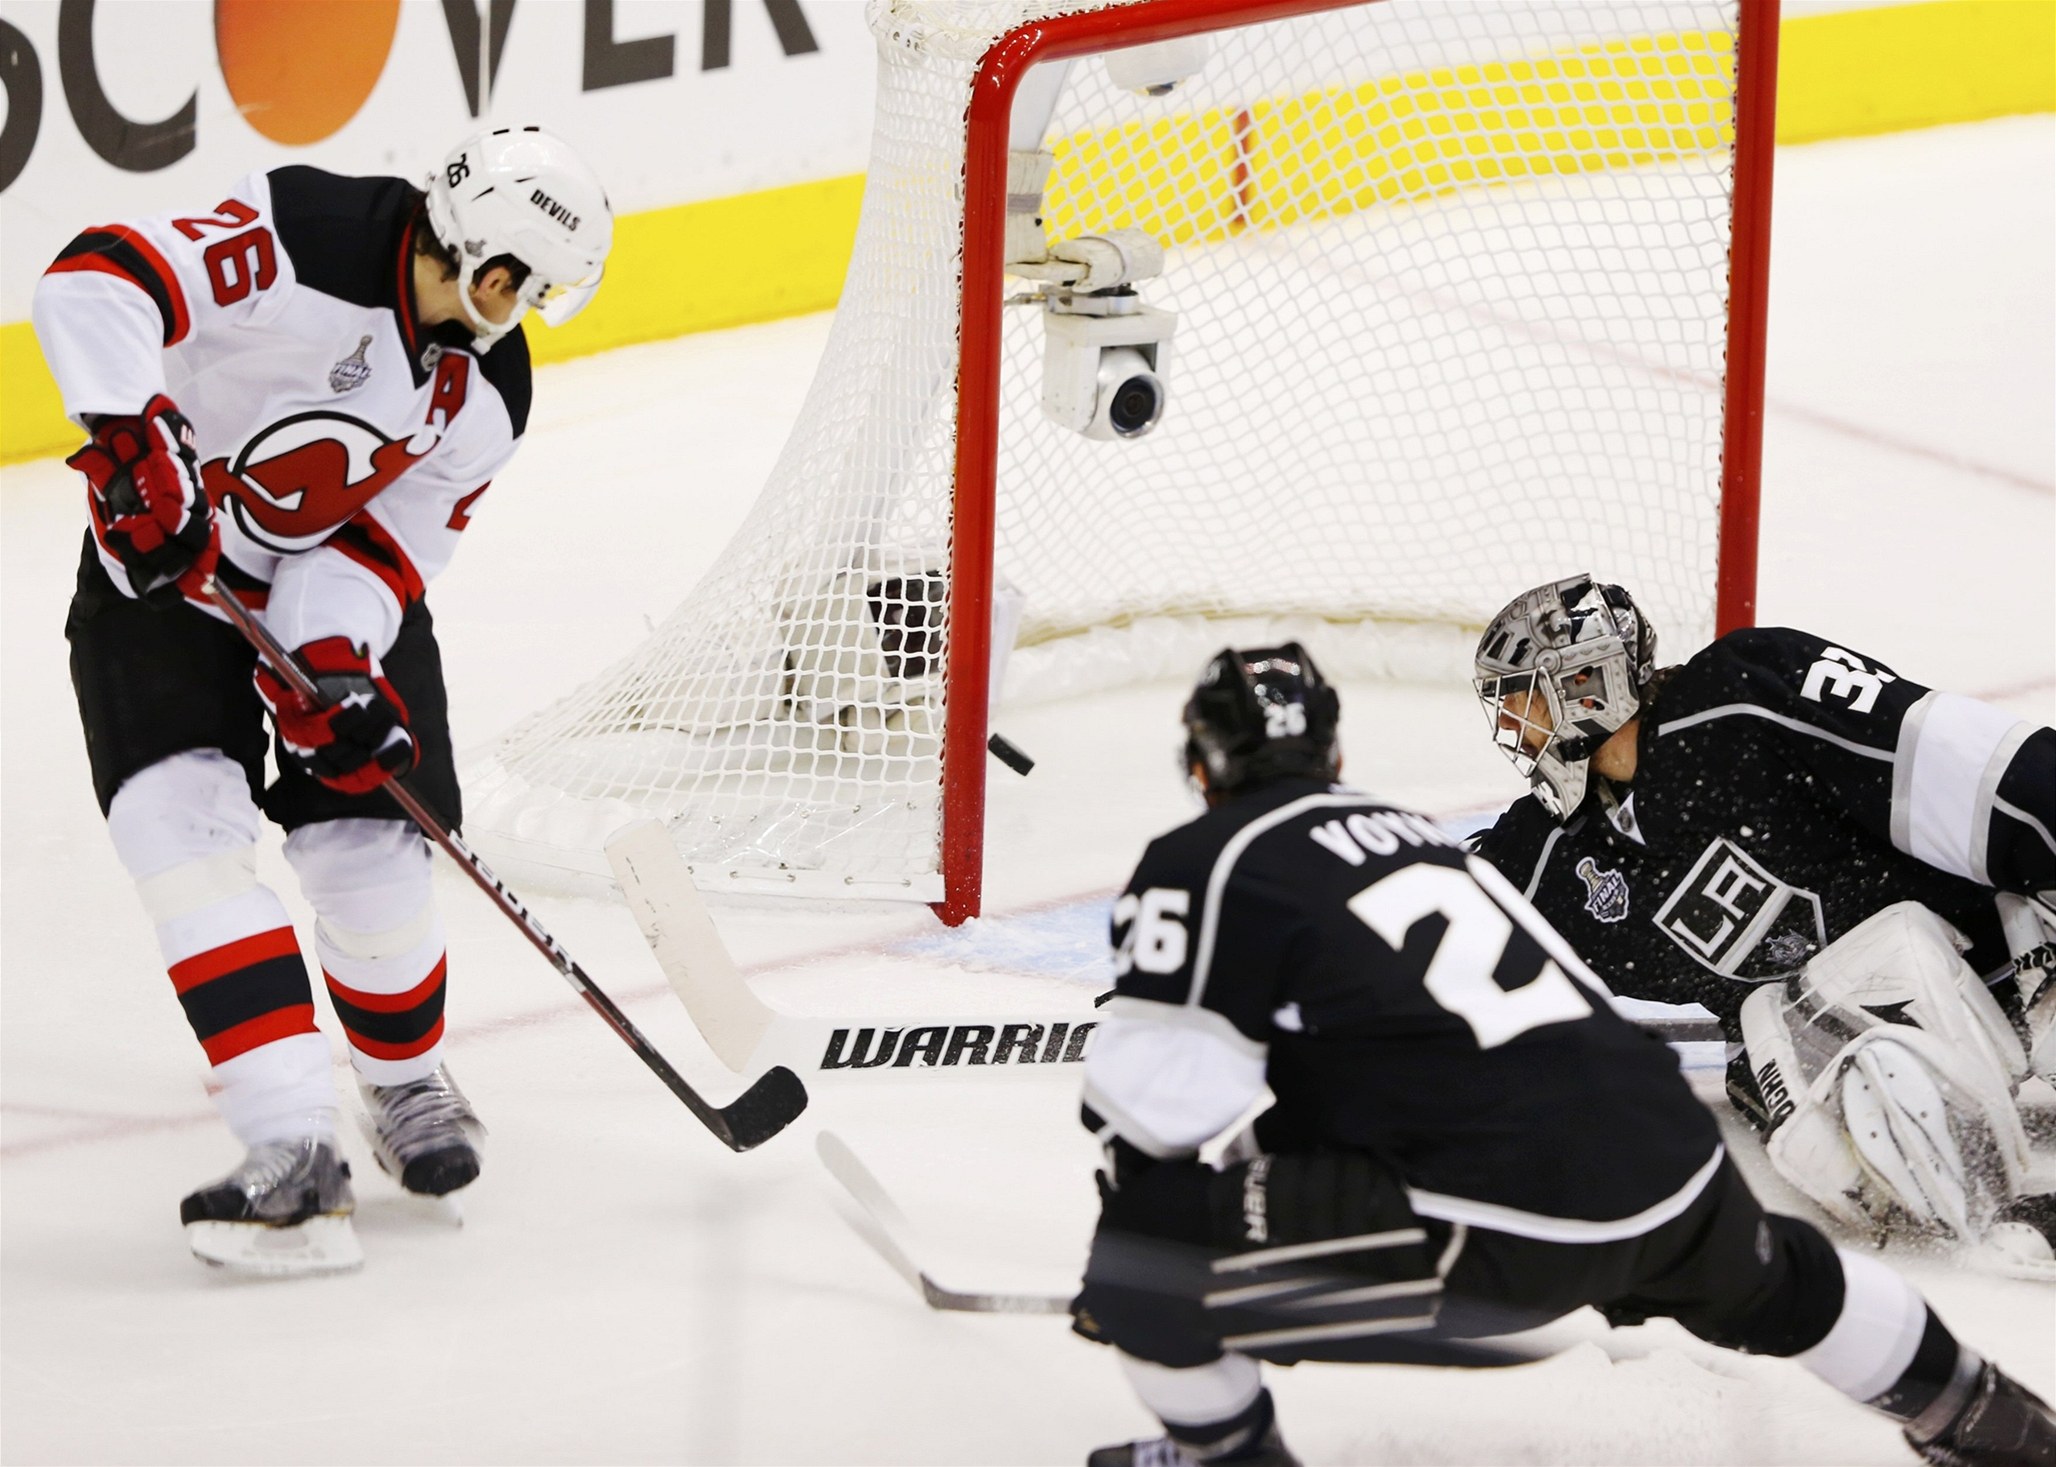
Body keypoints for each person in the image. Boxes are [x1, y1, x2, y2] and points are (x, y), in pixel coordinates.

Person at [1073, 642, 2054, 1467]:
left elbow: (1153, 1120)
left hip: (1501, 1213)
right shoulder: (1427, 843)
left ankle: (1222, 1455)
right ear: (1333, 751)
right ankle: (1996, 1422)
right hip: (1667, 1156)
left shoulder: (1206, 859)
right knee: (1789, 1286)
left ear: (1199, 764)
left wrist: (1148, 1242)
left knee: (1145, 1252)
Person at [34, 127, 613, 1275]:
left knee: (371, 838)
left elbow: (386, 545)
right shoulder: (307, 234)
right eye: (527, 287)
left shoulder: (488, 390)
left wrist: (334, 661)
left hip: (332, 595)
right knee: (179, 833)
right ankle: (292, 1146)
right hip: (162, 577)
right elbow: (96, 279)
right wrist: (134, 435)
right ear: (492, 266)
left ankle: (406, 1081)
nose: (522, 313)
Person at [1467, 575, 2056, 1268]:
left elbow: (1996, 774)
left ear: (1586, 683)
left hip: (2015, 945)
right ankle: (1989, 1215)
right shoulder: (1555, 856)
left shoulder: (1744, 697)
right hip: (1892, 1015)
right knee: (1790, 1056)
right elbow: (1422, 916)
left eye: (1525, 697)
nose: (1511, 726)